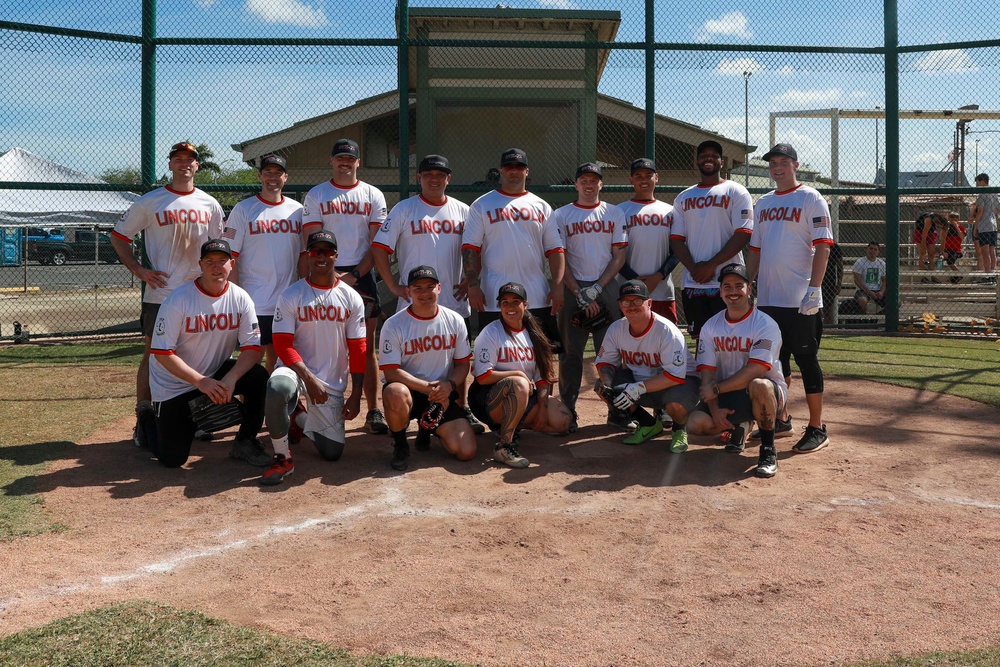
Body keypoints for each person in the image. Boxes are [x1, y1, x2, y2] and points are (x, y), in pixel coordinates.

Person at [111, 141, 225, 452]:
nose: (184, 164)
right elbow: (119, 236)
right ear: (171, 164)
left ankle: (196, 417)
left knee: (198, 355)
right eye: (178, 159)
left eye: (190, 159)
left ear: (197, 166)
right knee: (153, 354)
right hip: (161, 293)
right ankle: (144, 416)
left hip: (200, 294)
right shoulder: (151, 201)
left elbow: (218, 249)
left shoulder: (210, 204)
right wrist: (139, 269)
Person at [371, 154, 485, 435]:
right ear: (419, 178)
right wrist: (394, 285)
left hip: (452, 300)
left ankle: (459, 408)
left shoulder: (463, 210)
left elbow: (477, 248)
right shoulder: (404, 209)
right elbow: (379, 249)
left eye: (440, 174)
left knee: (457, 358)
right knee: (412, 357)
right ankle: (410, 408)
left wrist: (469, 280)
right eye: (428, 174)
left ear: (448, 179)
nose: (434, 179)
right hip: (414, 300)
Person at [148, 239, 269, 468]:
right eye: (210, 261)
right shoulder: (178, 300)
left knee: (258, 377)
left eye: (222, 261)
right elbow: (163, 354)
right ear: (200, 264)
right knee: (172, 459)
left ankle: (245, 441)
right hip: (175, 384)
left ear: (231, 264)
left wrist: (230, 379)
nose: (216, 267)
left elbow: (253, 349)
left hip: (213, 373)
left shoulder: (240, 297)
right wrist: (201, 382)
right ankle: (147, 420)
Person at [260, 230, 366, 485]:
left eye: (327, 251)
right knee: (277, 387)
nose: (321, 256)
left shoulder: (351, 298)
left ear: (335, 256)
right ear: (307, 255)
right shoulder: (292, 295)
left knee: (332, 453)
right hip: (296, 371)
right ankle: (282, 457)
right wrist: (307, 377)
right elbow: (283, 344)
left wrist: (355, 394)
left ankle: (298, 417)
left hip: (330, 382)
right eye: (315, 251)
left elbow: (359, 348)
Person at [746, 143, 833, 454]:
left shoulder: (811, 197)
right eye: (773, 163)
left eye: (784, 162)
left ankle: (817, 427)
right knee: (776, 364)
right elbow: (755, 249)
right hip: (769, 300)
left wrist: (815, 288)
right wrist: (748, 283)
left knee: (807, 360)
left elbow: (823, 246)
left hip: (801, 300)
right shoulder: (764, 203)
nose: (777, 167)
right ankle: (781, 420)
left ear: (796, 165)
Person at [302, 138, 389, 435]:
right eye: (339, 157)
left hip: (361, 276)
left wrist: (353, 274)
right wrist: (330, 271)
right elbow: (313, 240)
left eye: (349, 158)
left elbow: (377, 245)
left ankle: (373, 409)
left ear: (357, 162)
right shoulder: (317, 194)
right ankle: (317, 408)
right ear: (331, 160)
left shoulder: (373, 194)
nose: (344, 162)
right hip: (324, 274)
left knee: (366, 347)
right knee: (323, 345)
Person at [687, 263, 788, 478]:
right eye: (727, 286)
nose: (733, 291)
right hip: (726, 393)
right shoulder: (711, 326)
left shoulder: (764, 324)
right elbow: (707, 373)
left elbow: (757, 370)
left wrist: (716, 390)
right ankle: (739, 426)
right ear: (720, 291)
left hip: (765, 392)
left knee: (759, 385)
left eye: (739, 286)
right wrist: (714, 408)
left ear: (749, 289)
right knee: (695, 424)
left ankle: (768, 450)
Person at [552, 162, 629, 432]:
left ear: (601, 184)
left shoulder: (614, 212)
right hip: (571, 286)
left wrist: (597, 288)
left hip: (605, 285)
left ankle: (616, 410)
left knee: (609, 351)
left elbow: (619, 256)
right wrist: (578, 292)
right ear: (575, 184)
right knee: (570, 353)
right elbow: (559, 256)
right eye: (583, 179)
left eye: (594, 180)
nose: (588, 184)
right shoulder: (560, 215)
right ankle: (569, 409)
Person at [462, 148, 565, 349]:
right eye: (509, 166)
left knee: (542, 354)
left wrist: (558, 287)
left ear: (527, 171)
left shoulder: (542, 206)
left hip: (536, 295)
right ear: (501, 170)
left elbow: (555, 250)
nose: (514, 170)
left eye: (519, 167)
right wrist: (473, 285)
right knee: (495, 353)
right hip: (493, 295)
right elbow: (470, 248)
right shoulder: (482, 204)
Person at [378, 265, 477, 472]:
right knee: (394, 391)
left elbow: (462, 364)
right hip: (411, 390)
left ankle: (427, 428)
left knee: (465, 451)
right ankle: (401, 445)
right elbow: (391, 372)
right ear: (408, 292)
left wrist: (449, 386)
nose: (425, 293)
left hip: (442, 392)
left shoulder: (454, 320)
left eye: (430, 287)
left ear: (439, 288)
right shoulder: (394, 324)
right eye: (418, 288)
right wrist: (429, 389)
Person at [470, 282, 573, 468]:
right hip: (486, 398)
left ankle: (510, 425)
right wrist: (517, 374)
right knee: (519, 383)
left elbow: (542, 378)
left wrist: (542, 408)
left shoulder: (534, 333)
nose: (510, 307)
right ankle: (504, 445)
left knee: (563, 421)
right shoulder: (490, 333)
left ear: (525, 305)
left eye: (515, 302)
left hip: (521, 395)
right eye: (505, 302)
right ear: (499, 306)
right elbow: (483, 377)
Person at [593, 280, 698, 451]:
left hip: (680, 382)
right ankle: (648, 424)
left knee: (676, 406)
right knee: (603, 388)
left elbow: (675, 375)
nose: (632, 306)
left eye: (637, 301)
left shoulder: (666, 331)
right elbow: (605, 362)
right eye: (627, 301)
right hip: (642, 382)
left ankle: (679, 430)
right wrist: (607, 382)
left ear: (649, 303)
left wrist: (637, 388)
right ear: (620, 305)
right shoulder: (616, 328)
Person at [226, 154, 304, 373]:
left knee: (280, 362)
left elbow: (303, 255)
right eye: (267, 172)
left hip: (287, 301)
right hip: (253, 301)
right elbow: (232, 257)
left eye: (278, 173)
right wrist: (236, 297)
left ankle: (275, 406)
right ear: (259, 176)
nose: (272, 177)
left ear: (286, 177)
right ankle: (250, 406)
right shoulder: (244, 209)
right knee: (250, 362)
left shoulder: (297, 210)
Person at [669, 140, 754, 339]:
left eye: (714, 155)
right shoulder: (683, 197)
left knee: (733, 339)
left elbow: (744, 233)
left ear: (722, 161)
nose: (709, 158)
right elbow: (676, 239)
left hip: (728, 280)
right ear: (697, 161)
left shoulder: (736, 191)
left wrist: (711, 265)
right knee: (702, 341)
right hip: (694, 282)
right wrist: (694, 268)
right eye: (703, 155)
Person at [617, 157, 679, 324]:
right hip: (628, 291)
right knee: (630, 342)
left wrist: (658, 276)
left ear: (656, 177)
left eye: (648, 175)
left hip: (662, 291)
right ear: (631, 179)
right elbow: (613, 253)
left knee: (666, 341)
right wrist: (634, 279)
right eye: (638, 176)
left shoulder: (671, 211)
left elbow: (678, 251)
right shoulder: (619, 211)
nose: (644, 180)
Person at [972, 173, 998, 278]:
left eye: (978, 183)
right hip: (993, 224)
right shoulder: (994, 193)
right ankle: (992, 273)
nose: (977, 186)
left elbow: (980, 212)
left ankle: (987, 275)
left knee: (985, 252)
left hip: (984, 225)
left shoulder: (982, 194)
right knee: (992, 251)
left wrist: (976, 227)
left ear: (982, 181)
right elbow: (998, 210)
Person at [852, 242, 887, 313]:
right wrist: (869, 292)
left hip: (877, 290)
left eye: (875, 249)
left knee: (896, 302)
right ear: (867, 250)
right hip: (863, 290)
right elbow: (857, 281)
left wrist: (882, 292)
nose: (873, 251)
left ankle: (877, 318)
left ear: (878, 252)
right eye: (871, 248)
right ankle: (863, 320)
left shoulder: (882, 263)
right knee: (862, 300)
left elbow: (884, 280)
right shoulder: (860, 262)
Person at [935, 212, 967, 283]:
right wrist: (942, 251)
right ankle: (937, 274)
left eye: (955, 219)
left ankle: (958, 274)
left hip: (956, 250)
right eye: (951, 219)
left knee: (950, 261)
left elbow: (962, 236)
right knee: (939, 258)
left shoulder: (961, 227)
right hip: (946, 249)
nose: (953, 221)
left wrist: (956, 227)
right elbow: (941, 238)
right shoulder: (946, 228)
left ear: (958, 219)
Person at [821, 241, 844, 325]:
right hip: (814, 277)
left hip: (829, 281)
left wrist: (839, 284)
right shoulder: (814, 244)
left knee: (827, 309)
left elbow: (840, 267)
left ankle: (828, 328)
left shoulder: (834, 247)